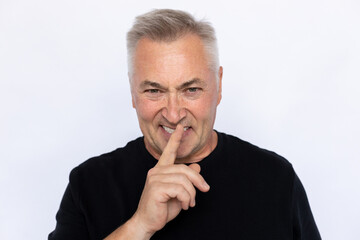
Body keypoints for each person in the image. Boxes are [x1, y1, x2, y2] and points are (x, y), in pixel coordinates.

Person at [49, 9, 321, 240]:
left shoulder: (276, 179)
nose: (173, 113)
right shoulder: (87, 184)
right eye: (154, 91)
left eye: (191, 89)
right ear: (132, 92)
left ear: (219, 85)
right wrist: (139, 226)